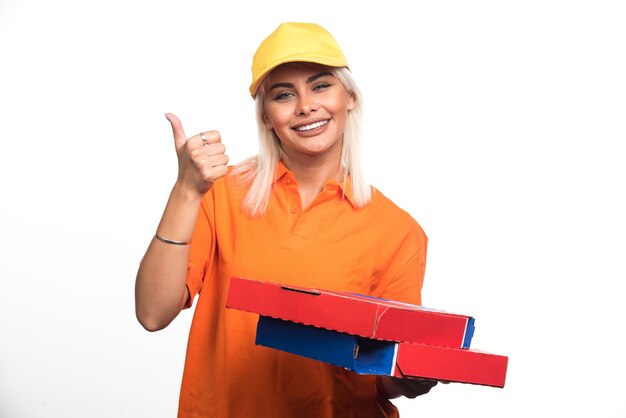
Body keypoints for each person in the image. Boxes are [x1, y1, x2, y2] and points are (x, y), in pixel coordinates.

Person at [135, 22, 437, 418]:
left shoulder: (398, 231)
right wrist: (187, 191)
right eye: (283, 95)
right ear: (266, 116)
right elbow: (153, 313)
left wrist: (412, 375)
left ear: (350, 98)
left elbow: (384, 374)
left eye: (321, 85)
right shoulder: (220, 196)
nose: (306, 106)